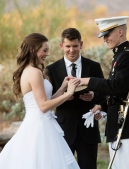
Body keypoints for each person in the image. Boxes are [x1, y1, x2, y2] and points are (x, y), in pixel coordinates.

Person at [0, 33, 80, 168]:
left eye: (47, 51)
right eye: (44, 50)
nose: (46, 54)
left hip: (40, 124)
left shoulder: (30, 70)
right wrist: (69, 93)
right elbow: (43, 106)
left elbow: (46, 101)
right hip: (39, 128)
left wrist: (62, 88)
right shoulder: (34, 72)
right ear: (33, 49)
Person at [77, 16, 129, 169]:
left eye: (107, 35)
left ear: (120, 32)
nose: (105, 39)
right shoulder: (120, 55)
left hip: (128, 123)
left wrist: (88, 81)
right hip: (118, 122)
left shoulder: (127, 55)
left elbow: (117, 86)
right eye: (103, 36)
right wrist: (101, 106)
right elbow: (118, 92)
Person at [46, 28, 105, 169]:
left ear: (81, 44)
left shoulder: (94, 66)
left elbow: (105, 93)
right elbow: (48, 100)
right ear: (61, 46)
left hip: (88, 129)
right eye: (68, 46)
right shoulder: (51, 69)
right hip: (63, 128)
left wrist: (93, 96)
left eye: (75, 46)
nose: (71, 50)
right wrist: (63, 96)